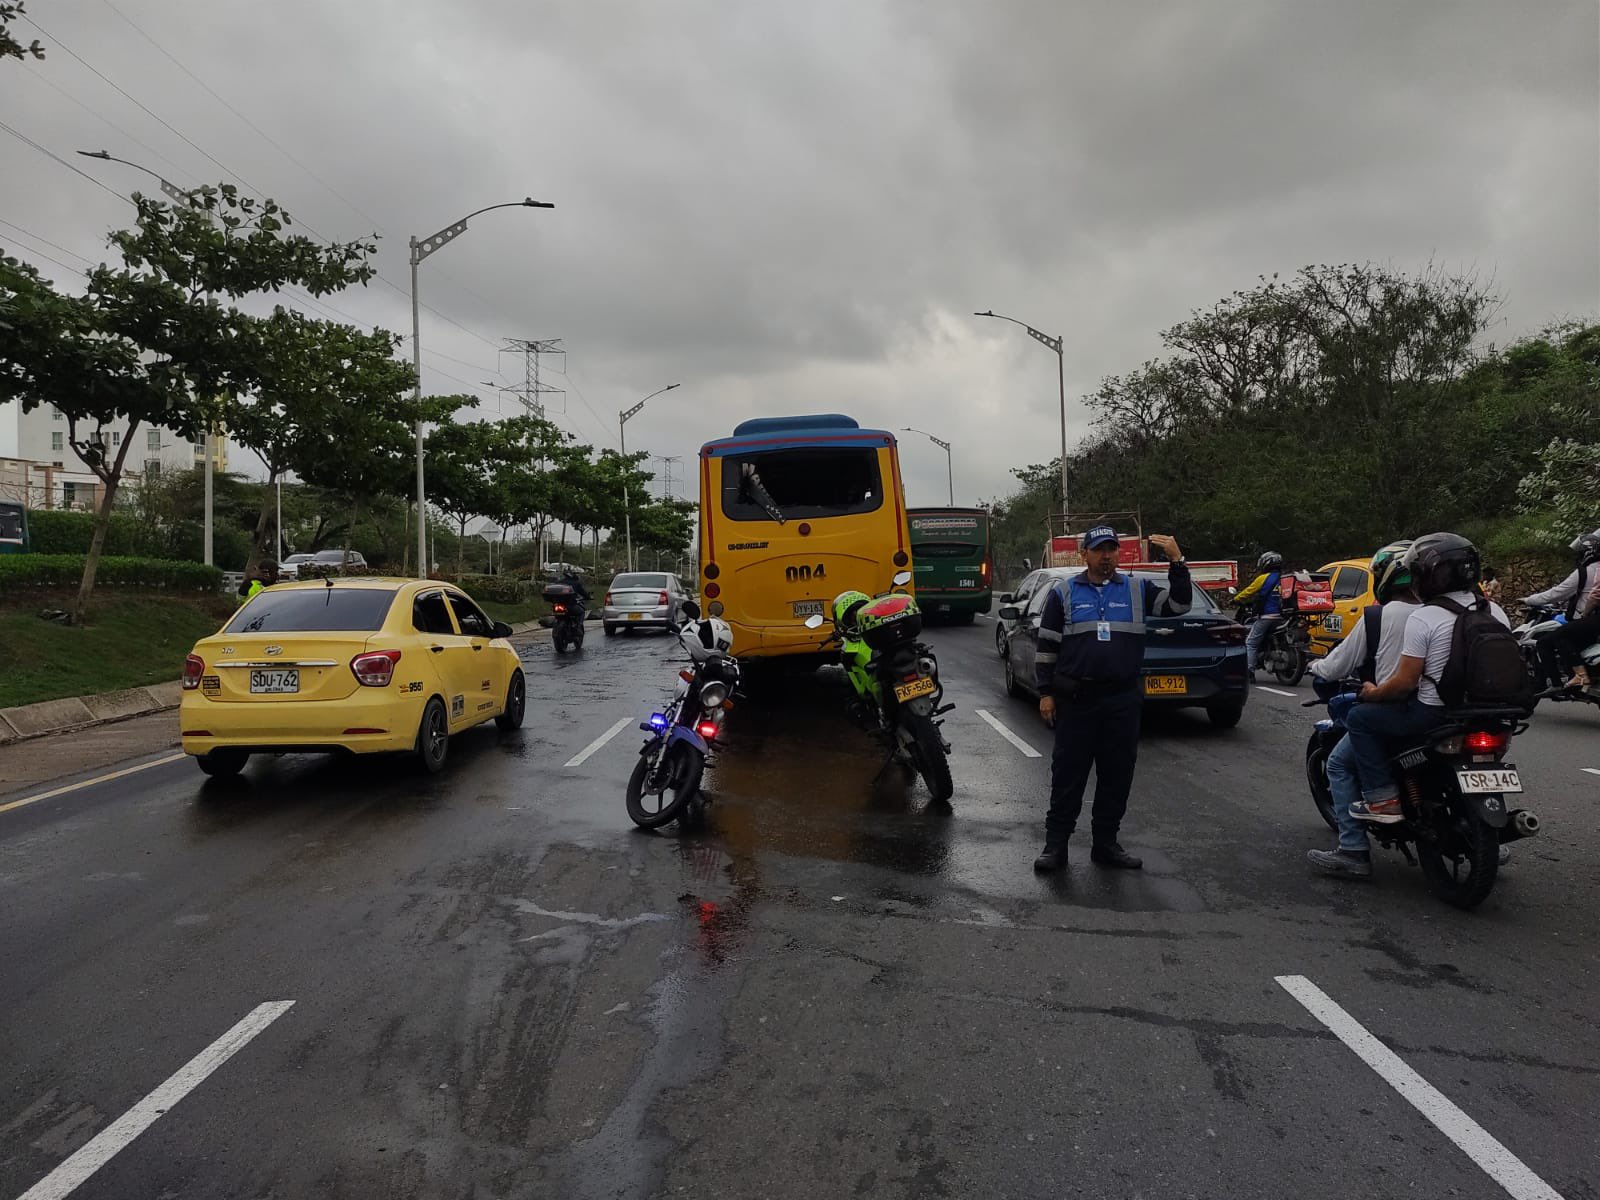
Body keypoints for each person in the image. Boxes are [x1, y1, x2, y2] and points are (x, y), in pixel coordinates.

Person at [1033, 527, 1191, 872]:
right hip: (1077, 700)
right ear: (1084, 554)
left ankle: (1105, 844)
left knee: (1117, 775)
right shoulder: (1063, 593)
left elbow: (1179, 605)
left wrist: (1177, 562)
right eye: (1098, 550)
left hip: (1121, 699)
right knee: (1068, 775)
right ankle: (1055, 846)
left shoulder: (1137, 590)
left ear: (1119, 553)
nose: (1106, 556)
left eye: (1111, 549)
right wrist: (1045, 693)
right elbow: (1046, 648)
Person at [1344, 532, 1509, 825]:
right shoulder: (1494, 610)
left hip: (1435, 714)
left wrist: (1372, 693)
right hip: (1491, 712)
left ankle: (1382, 799)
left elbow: (1404, 684)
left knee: (1359, 719)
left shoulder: (1425, 617)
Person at [1305, 541, 1421, 878]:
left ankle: (1353, 849)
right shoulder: (1445, 611)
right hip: (1453, 712)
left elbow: (1338, 665)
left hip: (1398, 710)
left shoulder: (1378, 616)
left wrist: (1315, 666)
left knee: (1339, 763)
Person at [1522, 532, 1600, 693]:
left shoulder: (1587, 571)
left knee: (1551, 639)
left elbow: (1558, 593)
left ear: (1589, 551)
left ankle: (1573, 678)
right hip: (1592, 622)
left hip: (1591, 619)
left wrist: (1529, 600)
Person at [1233, 551, 1284, 679]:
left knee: (1251, 643)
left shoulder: (1264, 578)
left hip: (1268, 616)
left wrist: (1235, 599)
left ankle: (1249, 671)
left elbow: (1248, 591)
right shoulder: (1285, 578)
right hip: (1284, 617)